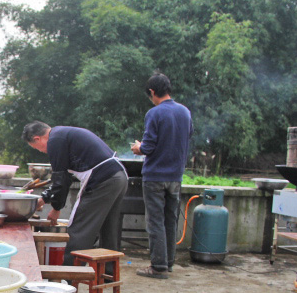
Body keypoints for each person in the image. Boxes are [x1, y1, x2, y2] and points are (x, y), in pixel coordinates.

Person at [22, 121, 128, 268]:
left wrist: (56, 208)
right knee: (108, 227)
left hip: (102, 181)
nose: (41, 151)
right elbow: (64, 178)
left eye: (37, 148)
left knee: (80, 229)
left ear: (37, 138)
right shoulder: (63, 134)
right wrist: (45, 198)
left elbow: (61, 179)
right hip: (119, 177)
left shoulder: (55, 141)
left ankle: (69, 276)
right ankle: (108, 272)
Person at [131, 72, 193, 279]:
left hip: (155, 176)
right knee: (170, 220)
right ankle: (168, 262)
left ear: (152, 92)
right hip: (176, 176)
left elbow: (148, 147)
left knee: (155, 221)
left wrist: (138, 148)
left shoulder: (155, 113)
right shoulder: (185, 112)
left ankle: (158, 267)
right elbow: (186, 137)